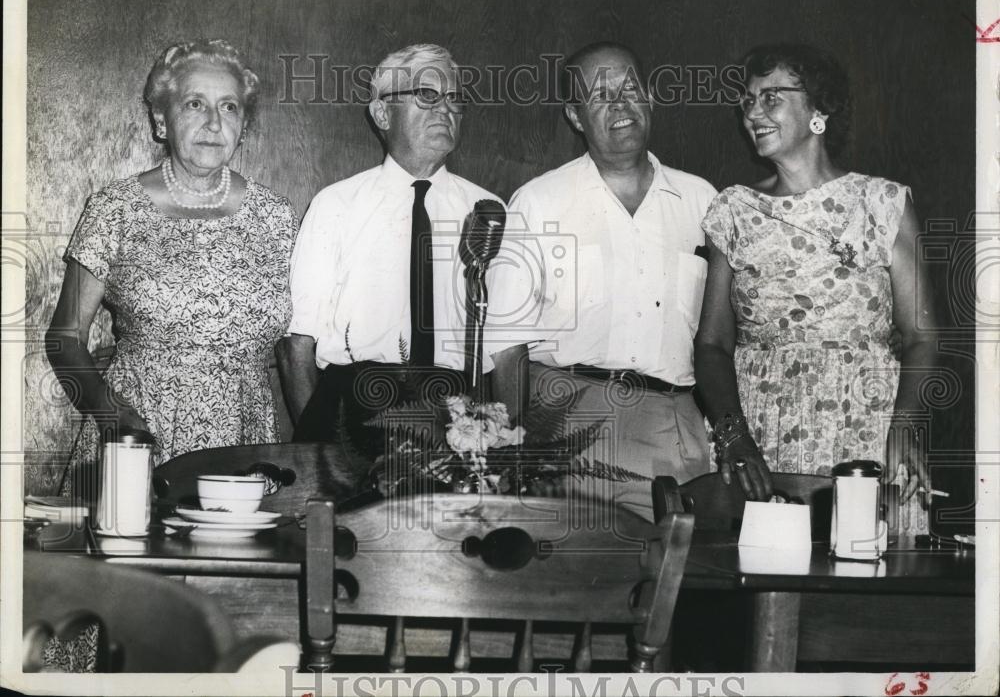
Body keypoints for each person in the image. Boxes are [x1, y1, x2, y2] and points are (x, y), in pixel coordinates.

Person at [694, 43, 935, 531]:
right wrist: (733, 436)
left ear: (819, 109)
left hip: (868, 425)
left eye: (771, 97)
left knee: (870, 579)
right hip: (761, 435)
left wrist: (905, 430)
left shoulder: (882, 202)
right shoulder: (734, 210)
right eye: (748, 100)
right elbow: (712, 344)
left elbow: (923, 335)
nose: (753, 113)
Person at [277, 43, 527, 488]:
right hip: (352, 409)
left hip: (455, 418)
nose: (446, 109)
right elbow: (298, 346)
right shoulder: (336, 205)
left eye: (455, 99)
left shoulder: (488, 211)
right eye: (428, 96)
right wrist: (318, 448)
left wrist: (510, 452)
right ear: (381, 112)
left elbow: (509, 350)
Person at [493, 42, 717, 520]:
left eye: (629, 87)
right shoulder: (539, 202)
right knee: (573, 587)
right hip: (567, 422)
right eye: (599, 95)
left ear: (650, 97)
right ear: (574, 116)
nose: (619, 103)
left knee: (678, 582)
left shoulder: (701, 201)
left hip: (673, 426)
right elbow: (507, 344)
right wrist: (513, 452)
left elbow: (722, 335)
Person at [46, 39, 298, 464]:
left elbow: (295, 346)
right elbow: (64, 339)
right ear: (162, 120)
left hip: (245, 439)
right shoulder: (116, 208)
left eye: (230, 107)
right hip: (138, 436)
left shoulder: (276, 215)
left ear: (244, 125)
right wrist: (116, 419)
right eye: (195, 104)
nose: (215, 123)